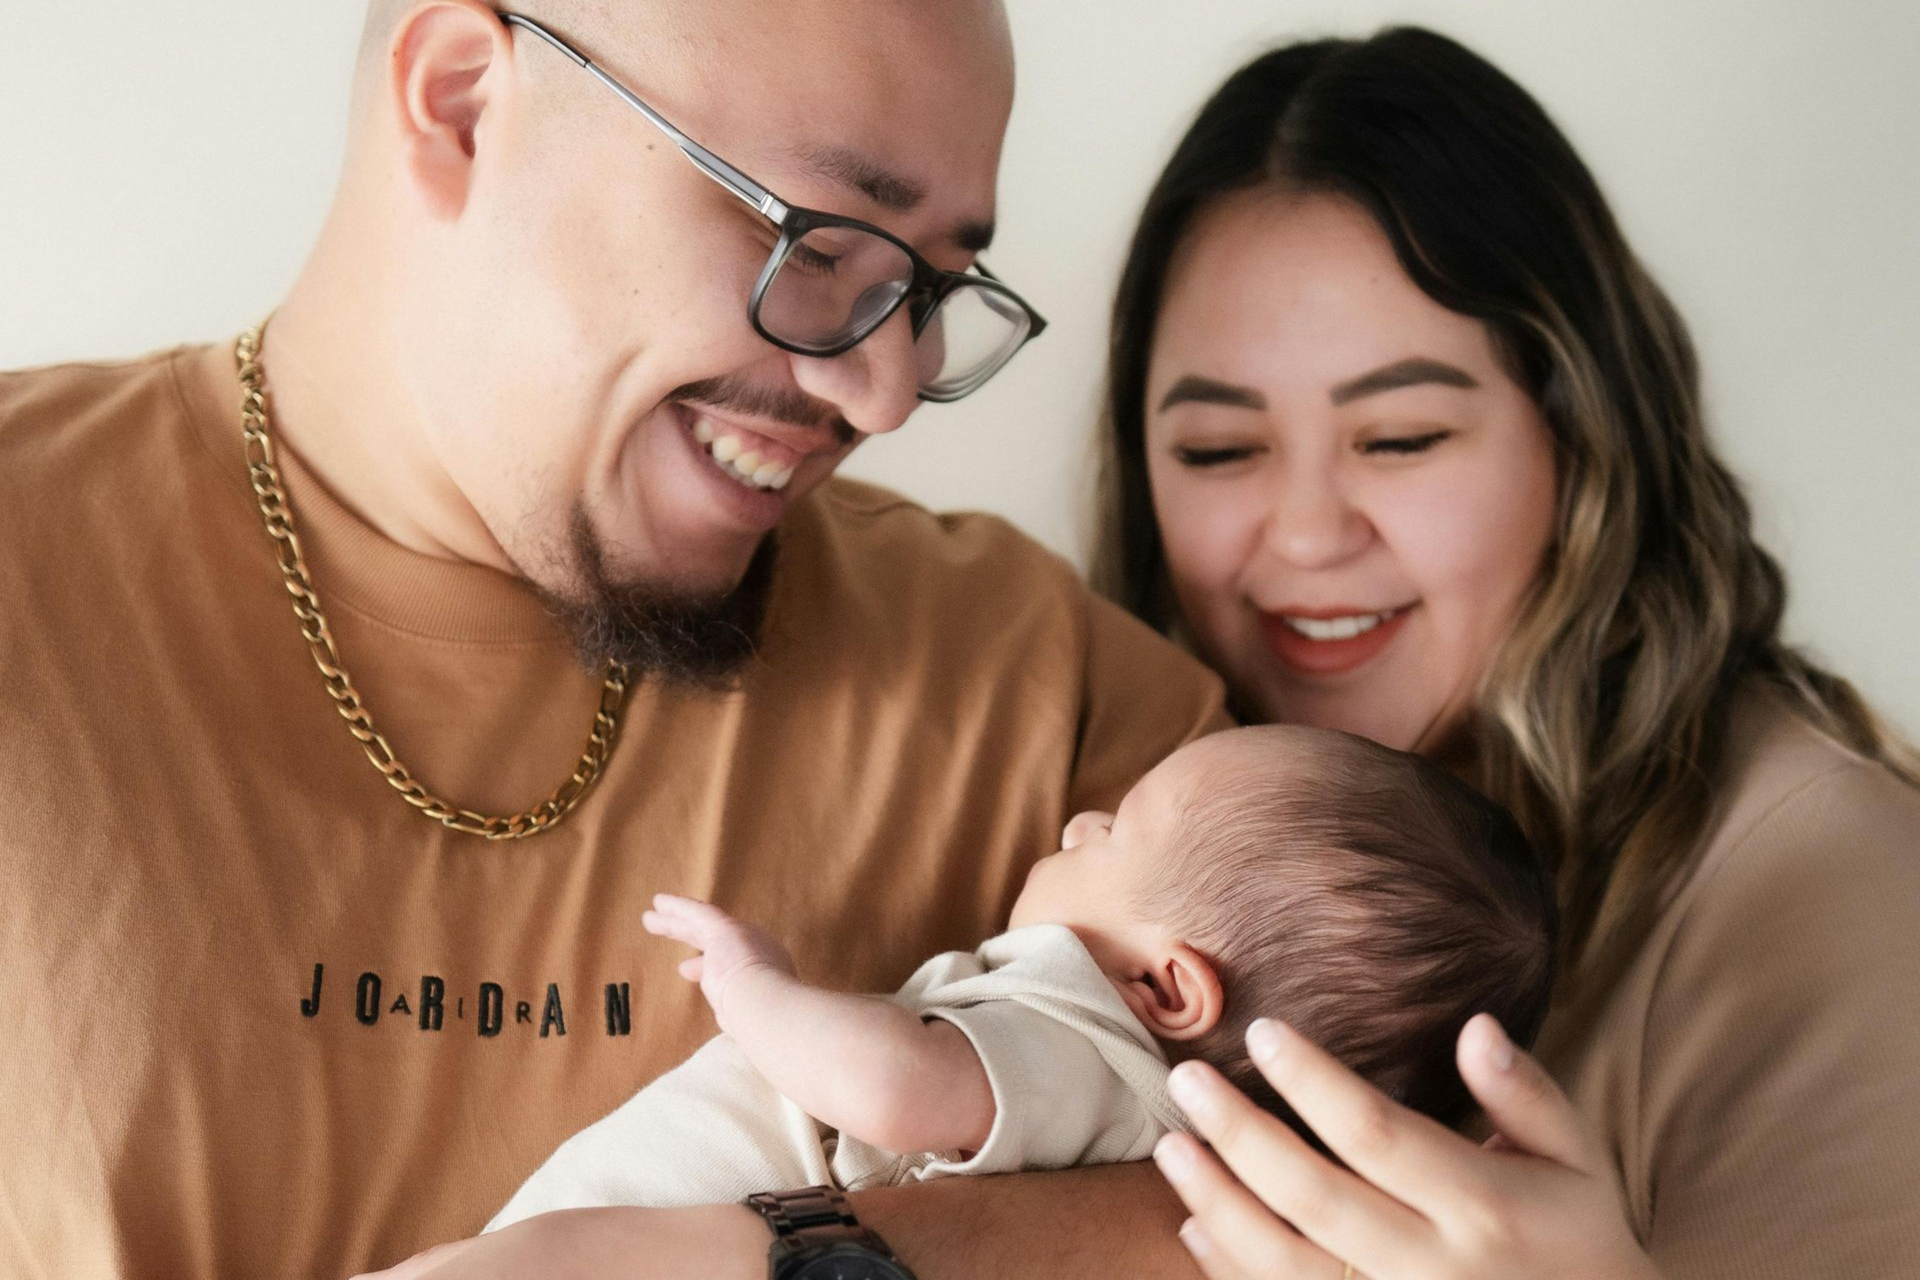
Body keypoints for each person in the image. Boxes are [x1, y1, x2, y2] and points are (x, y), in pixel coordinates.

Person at [0, 2, 1234, 1278]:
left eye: (925, 288)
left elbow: (1383, 1196)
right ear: (465, 98)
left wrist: (758, 1257)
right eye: (814, 241)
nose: (884, 391)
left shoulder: (1047, 699)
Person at [1078, 26, 1920, 1280]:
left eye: (1403, 436)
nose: (1307, 533)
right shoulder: (1104, 817)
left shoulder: (1821, 879)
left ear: (1582, 440)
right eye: (1218, 450)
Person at [483, 726, 1555, 1227]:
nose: (1081, 819)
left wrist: (755, 984)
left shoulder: (1080, 1043)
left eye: (1120, 826)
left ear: (1167, 989)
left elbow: (895, 1091)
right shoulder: (1129, 1122)